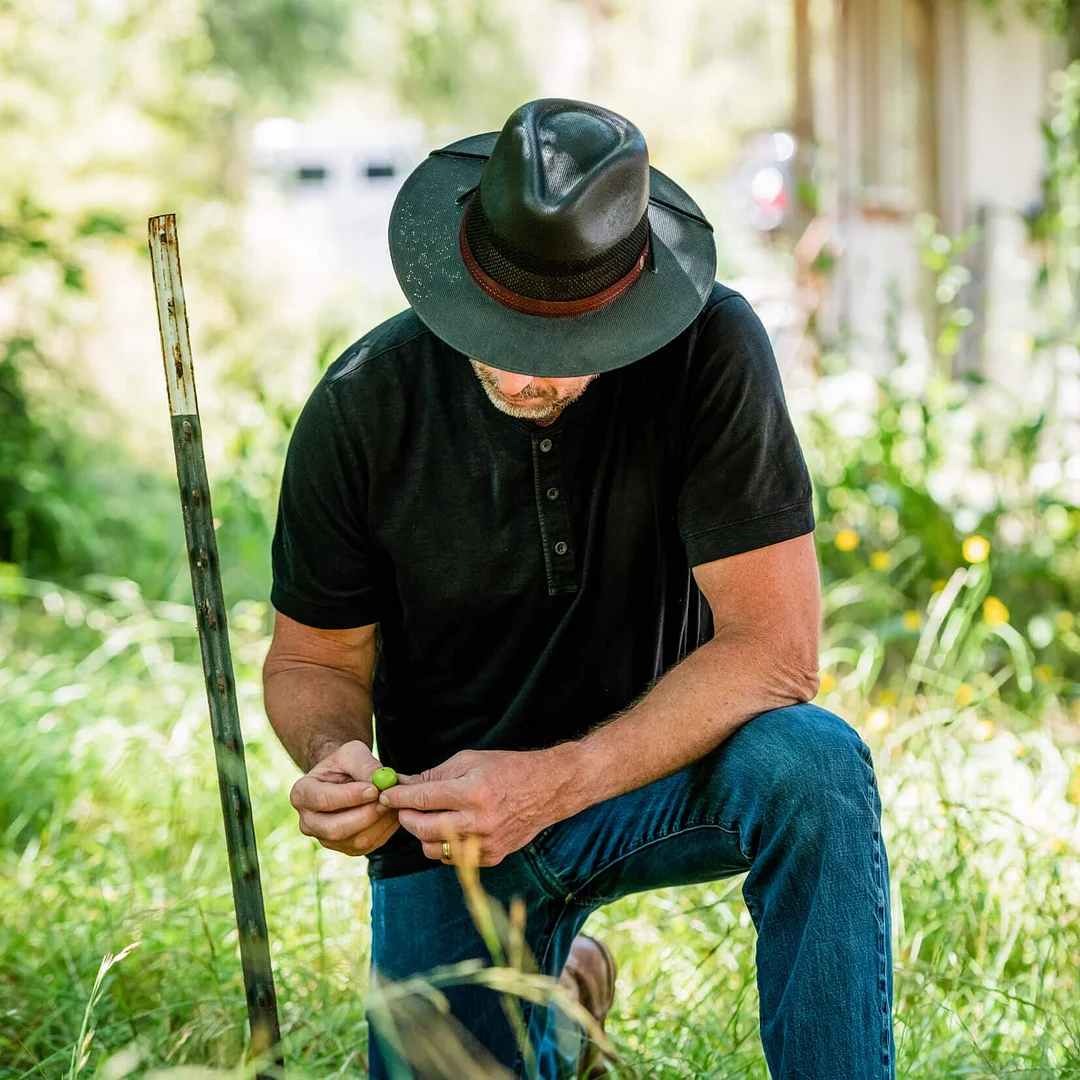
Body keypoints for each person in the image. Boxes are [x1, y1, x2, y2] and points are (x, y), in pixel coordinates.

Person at [263, 98, 895, 1080]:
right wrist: (333, 752)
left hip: (670, 771)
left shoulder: (714, 348)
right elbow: (314, 658)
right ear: (461, 276)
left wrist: (554, 780)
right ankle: (561, 1005)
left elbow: (779, 650)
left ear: (627, 303)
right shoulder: (361, 407)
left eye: (564, 348)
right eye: (499, 331)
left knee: (815, 764)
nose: (526, 376)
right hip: (453, 832)